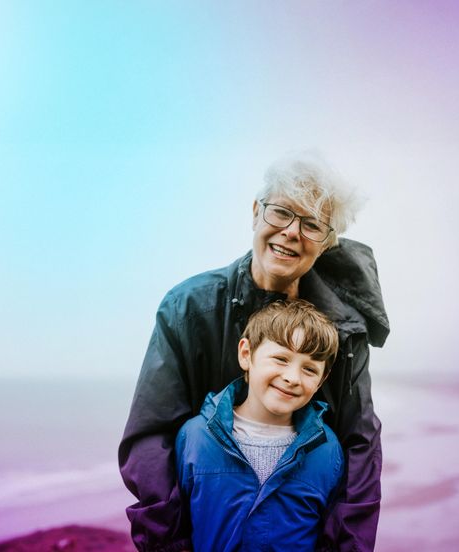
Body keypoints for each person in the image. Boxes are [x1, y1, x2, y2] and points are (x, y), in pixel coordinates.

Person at [119, 150, 389, 551]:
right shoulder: (188, 307)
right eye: (281, 212)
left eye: (312, 224)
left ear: (328, 243)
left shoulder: (344, 329)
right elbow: (150, 439)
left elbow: (360, 445)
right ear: (255, 213)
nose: (292, 232)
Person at [176, 299, 344, 551]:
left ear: (322, 379)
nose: (292, 378)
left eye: (309, 369)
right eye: (281, 359)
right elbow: (176, 525)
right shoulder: (195, 436)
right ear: (246, 354)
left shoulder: (327, 449)